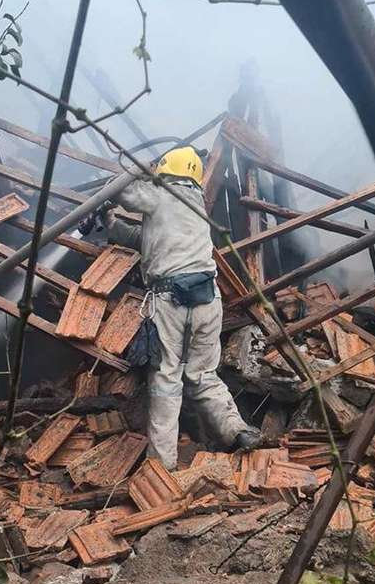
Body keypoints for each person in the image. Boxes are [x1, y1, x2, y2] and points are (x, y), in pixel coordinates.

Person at [102, 146, 261, 471]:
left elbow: (120, 190)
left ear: (165, 171)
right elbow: (147, 238)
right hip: (207, 300)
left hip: (170, 302)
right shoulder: (195, 204)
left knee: (167, 380)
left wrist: (134, 172)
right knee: (203, 374)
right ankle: (237, 431)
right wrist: (110, 223)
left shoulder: (160, 193)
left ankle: (162, 465)